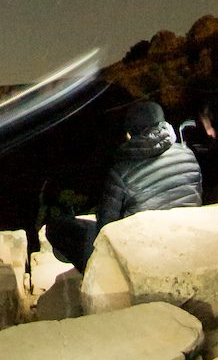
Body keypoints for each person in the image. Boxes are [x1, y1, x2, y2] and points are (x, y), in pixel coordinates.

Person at [46, 99, 203, 272]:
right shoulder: (187, 155)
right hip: (185, 241)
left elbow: (106, 230)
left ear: (130, 134)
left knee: (58, 228)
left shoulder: (121, 171)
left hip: (142, 252)